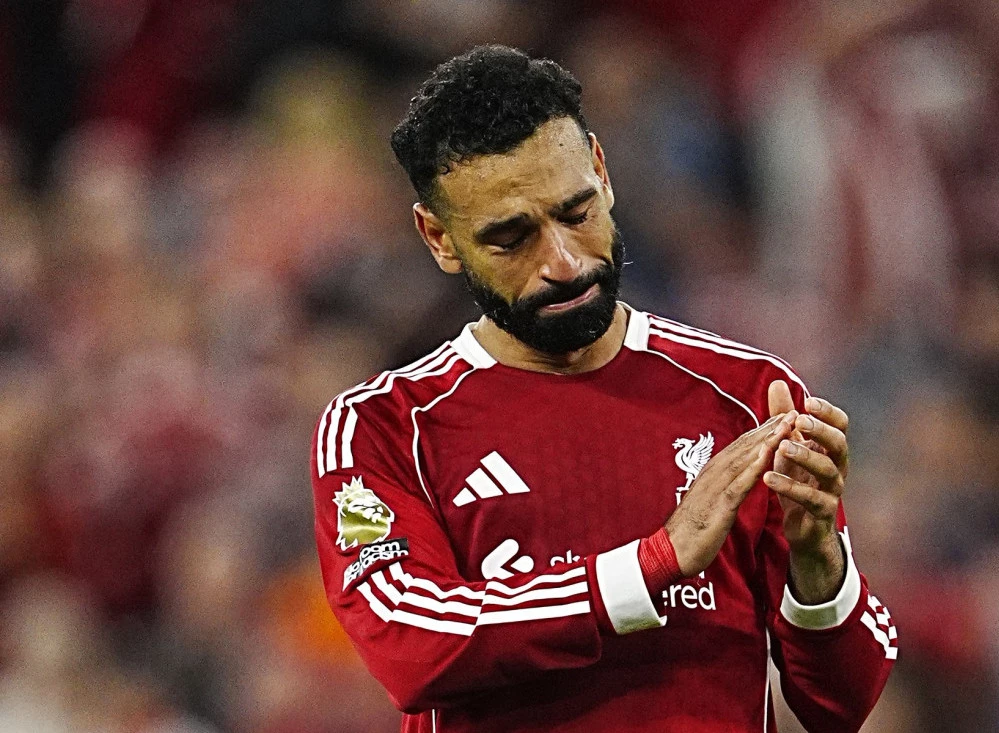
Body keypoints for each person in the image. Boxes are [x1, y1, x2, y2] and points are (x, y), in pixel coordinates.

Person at [311, 45, 896, 733]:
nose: (562, 263)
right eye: (511, 239)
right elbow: (411, 641)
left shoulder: (748, 396)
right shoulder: (379, 428)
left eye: (576, 212)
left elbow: (839, 705)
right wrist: (651, 565)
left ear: (602, 170)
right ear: (439, 238)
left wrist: (819, 562)